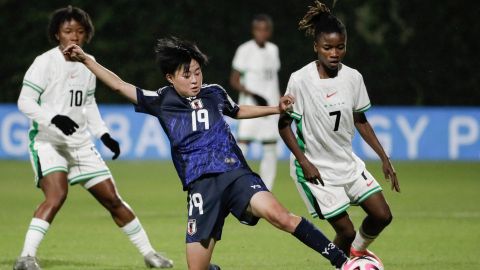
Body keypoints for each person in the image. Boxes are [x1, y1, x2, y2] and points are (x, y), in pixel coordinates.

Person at [63, 36, 352, 270]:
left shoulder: (214, 92)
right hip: (201, 186)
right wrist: (88, 59)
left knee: (280, 216)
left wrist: (276, 108)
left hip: (234, 174)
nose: (194, 79)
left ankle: (343, 261)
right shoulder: (162, 100)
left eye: (198, 72)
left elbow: (237, 111)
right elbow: (118, 85)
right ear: (170, 77)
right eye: (186, 74)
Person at [14, 6, 173, 270]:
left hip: (80, 143)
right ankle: (26, 257)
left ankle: (150, 254)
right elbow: (25, 102)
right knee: (57, 195)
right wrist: (54, 118)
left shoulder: (89, 64)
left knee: (112, 198)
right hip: (48, 141)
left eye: (80, 32)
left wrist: (104, 134)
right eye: (68, 31)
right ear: (57, 35)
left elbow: (88, 103)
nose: (74, 37)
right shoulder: (44, 63)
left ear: (87, 36)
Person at [278, 1, 401, 265]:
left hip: (346, 162)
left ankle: (356, 254)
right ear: (316, 47)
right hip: (316, 169)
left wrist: (384, 157)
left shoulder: (353, 78)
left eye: (340, 47)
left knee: (382, 215)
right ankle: (344, 262)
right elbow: (284, 125)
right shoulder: (300, 79)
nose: (334, 53)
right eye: (327, 47)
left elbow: (360, 120)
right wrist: (304, 161)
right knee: (345, 231)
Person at [230, 14, 281, 190]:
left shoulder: (273, 50)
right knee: (243, 145)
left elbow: (273, 79)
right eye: (258, 29)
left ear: (270, 31)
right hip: (250, 107)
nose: (262, 33)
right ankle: (238, 184)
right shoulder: (245, 50)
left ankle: (267, 189)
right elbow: (234, 80)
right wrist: (253, 94)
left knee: (270, 148)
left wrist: (279, 102)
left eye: (265, 29)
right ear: (253, 31)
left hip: (270, 108)